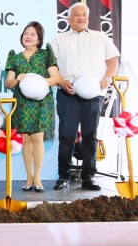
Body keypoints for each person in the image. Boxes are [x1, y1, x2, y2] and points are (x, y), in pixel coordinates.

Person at [50, 2, 120, 191]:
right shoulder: (58, 40)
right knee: (67, 136)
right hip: (67, 93)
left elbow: (113, 60)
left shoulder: (100, 37)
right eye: (76, 15)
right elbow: (51, 66)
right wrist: (61, 80)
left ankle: (89, 177)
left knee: (90, 136)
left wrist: (107, 78)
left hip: (93, 94)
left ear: (88, 18)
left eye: (84, 15)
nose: (81, 18)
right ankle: (63, 176)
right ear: (68, 19)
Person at [4, 21, 60, 193]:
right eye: (25, 33)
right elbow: (8, 83)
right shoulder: (15, 56)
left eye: (32, 34)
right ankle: (29, 177)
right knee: (26, 141)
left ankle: (38, 178)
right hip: (22, 103)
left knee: (38, 139)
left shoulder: (45, 55)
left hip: (41, 102)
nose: (28, 36)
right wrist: (19, 80)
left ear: (38, 39)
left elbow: (56, 78)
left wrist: (36, 82)